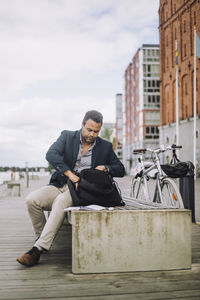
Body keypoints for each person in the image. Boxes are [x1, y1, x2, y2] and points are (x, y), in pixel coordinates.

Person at [17, 110, 125, 267]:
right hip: (60, 183)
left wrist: (107, 167)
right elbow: (51, 154)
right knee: (31, 200)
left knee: (61, 201)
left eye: (96, 131)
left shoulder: (105, 147)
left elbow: (121, 169)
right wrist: (69, 173)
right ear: (82, 125)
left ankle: (38, 250)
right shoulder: (67, 137)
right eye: (89, 130)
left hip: (81, 191)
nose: (92, 134)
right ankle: (41, 238)